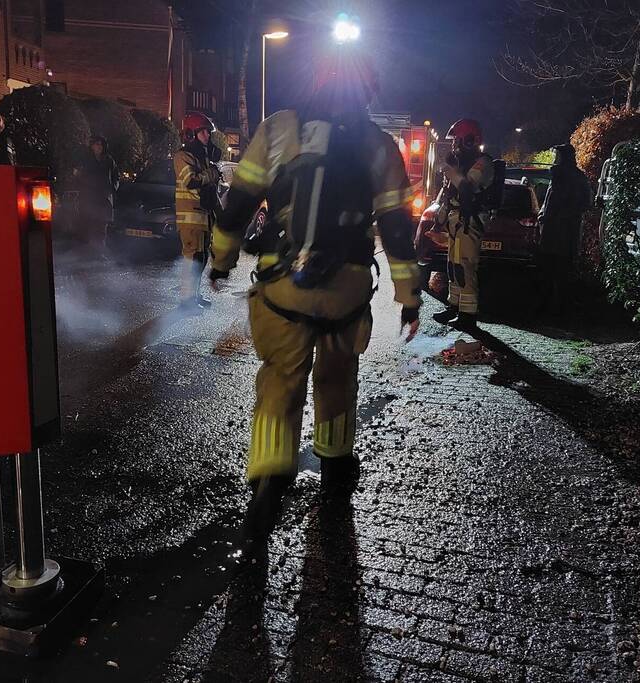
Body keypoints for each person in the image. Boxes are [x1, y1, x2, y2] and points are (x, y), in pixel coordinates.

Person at [209, 48, 422, 548]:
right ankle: (334, 469)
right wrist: (409, 297)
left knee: (281, 379)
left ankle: (268, 477)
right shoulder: (378, 146)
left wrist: (219, 262)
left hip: (283, 285)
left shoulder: (277, 129)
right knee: (337, 375)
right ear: (367, 91)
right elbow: (396, 229)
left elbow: (238, 203)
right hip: (345, 289)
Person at [431, 119, 495, 331]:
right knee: (454, 266)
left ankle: (468, 316)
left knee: (465, 267)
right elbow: (450, 196)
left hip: (470, 222)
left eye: (457, 141)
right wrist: (439, 220)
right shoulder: (460, 165)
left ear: (469, 140)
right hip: (456, 221)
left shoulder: (483, 164)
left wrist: (452, 173)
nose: (453, 146)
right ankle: (454, 306)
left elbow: (467, 189)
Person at [174, 113, 221, 309]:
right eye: (202, 132)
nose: (207, 136)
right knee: (192, 260)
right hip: (191, 219)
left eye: (207, 132)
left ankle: (194, 296)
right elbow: (191, 181)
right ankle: (186, 301)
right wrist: (211, 173)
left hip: (202, 217)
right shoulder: (182, 156)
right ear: (191, 134)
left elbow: (209, 190)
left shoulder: (202, 159)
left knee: (200, 260)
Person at [537, 143, 592, 312]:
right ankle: (552, 308)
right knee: (553, 272)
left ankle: (556, 309)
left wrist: (555, 216)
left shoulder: (569, 177)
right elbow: (549, 200)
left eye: (557, 156)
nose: (555, 159)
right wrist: (542, 214)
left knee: (558, 273)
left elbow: (583, 203)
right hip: (557, 232)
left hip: (562, 233)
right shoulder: (563, 176)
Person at [78, 135, 119, 249]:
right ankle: (89, 251)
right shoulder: (87, 160)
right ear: (92, 146)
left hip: (104, 198)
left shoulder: (109, 160)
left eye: (101, 144)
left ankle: (100, 251)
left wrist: (113, 188)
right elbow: (81, 176)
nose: (99, 147)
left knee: (102, 227)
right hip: (91, 198)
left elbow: (116, 176)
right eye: (97, 144)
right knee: (91, 225)